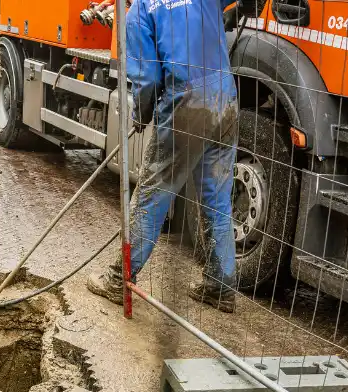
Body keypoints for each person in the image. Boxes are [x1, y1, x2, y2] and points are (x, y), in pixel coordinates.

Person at [87, 0, 240, 312]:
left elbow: (149, 80)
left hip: (187, 102)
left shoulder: (139, 11)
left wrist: (142, 114)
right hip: (226, 100)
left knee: (153, 193)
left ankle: (120, 279)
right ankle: (221, 287)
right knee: (217, 196)